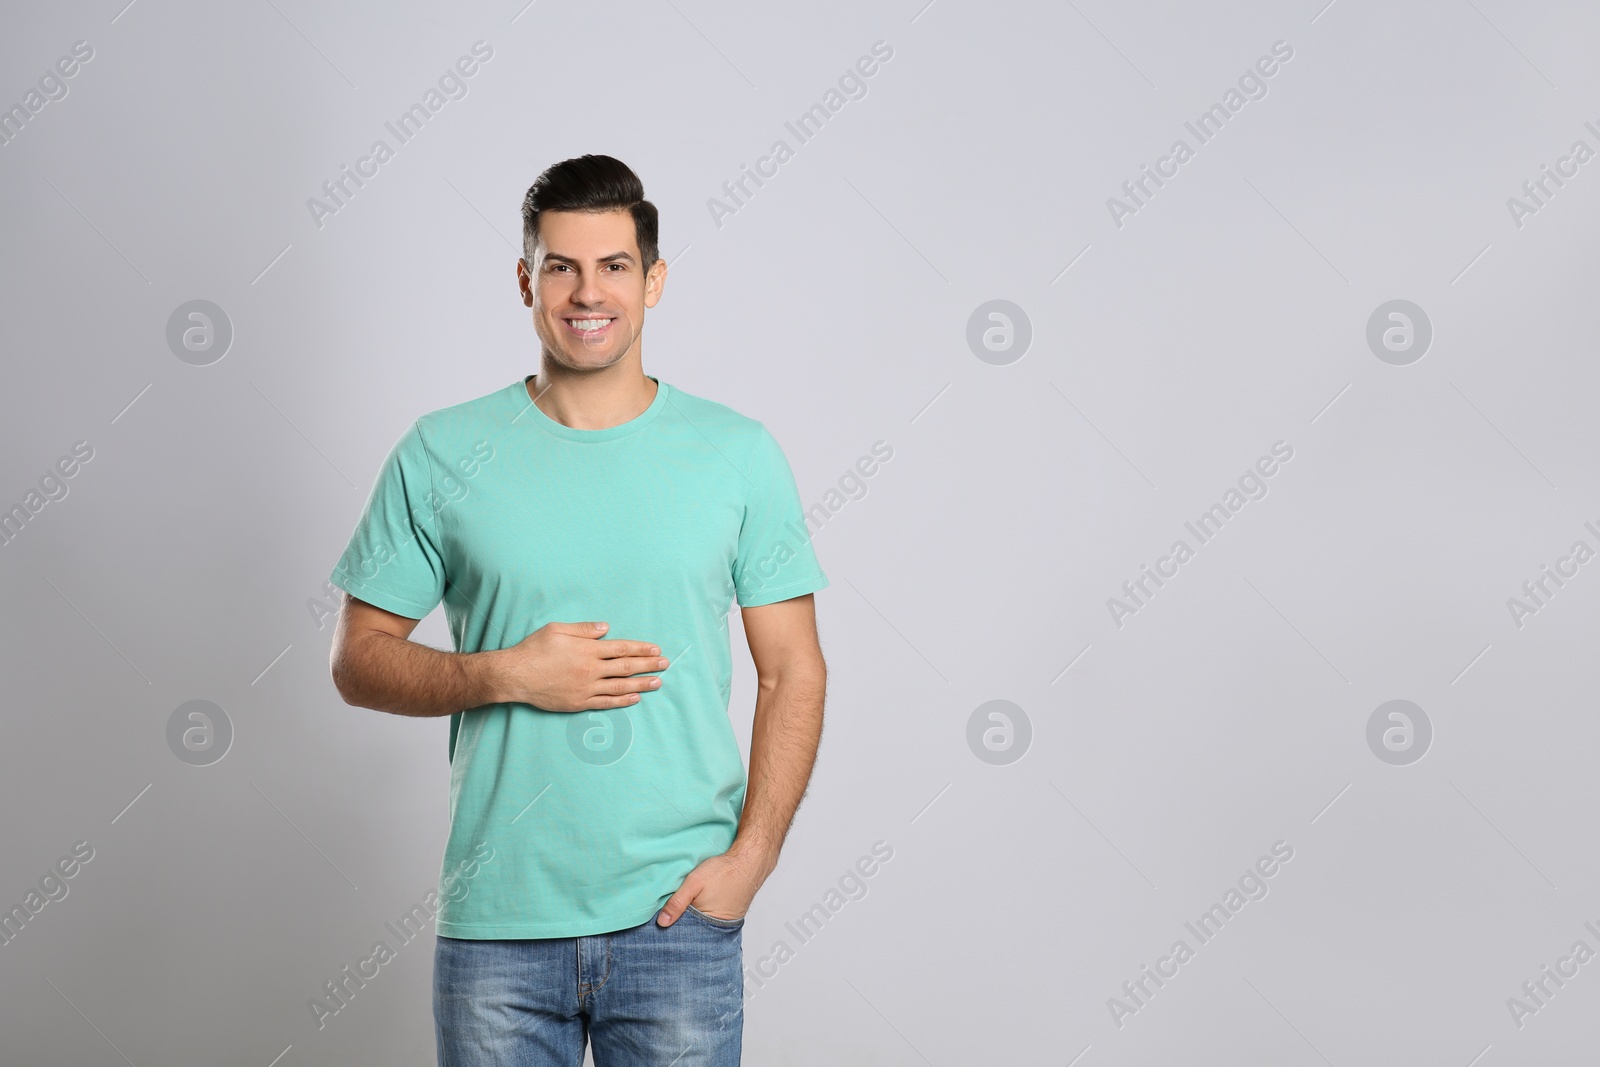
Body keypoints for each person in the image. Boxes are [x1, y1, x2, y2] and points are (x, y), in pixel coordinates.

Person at [325, 154, 830, 1066]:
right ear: (526, 280)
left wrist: (750, 860)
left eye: (614, 265)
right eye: (561, 266)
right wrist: (505, 672)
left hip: (677, 922)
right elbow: (357, 659)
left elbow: (794, 668)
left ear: (654, 280)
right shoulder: (442, 453)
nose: (586, 291)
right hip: (497, 930)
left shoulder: (737, 453)